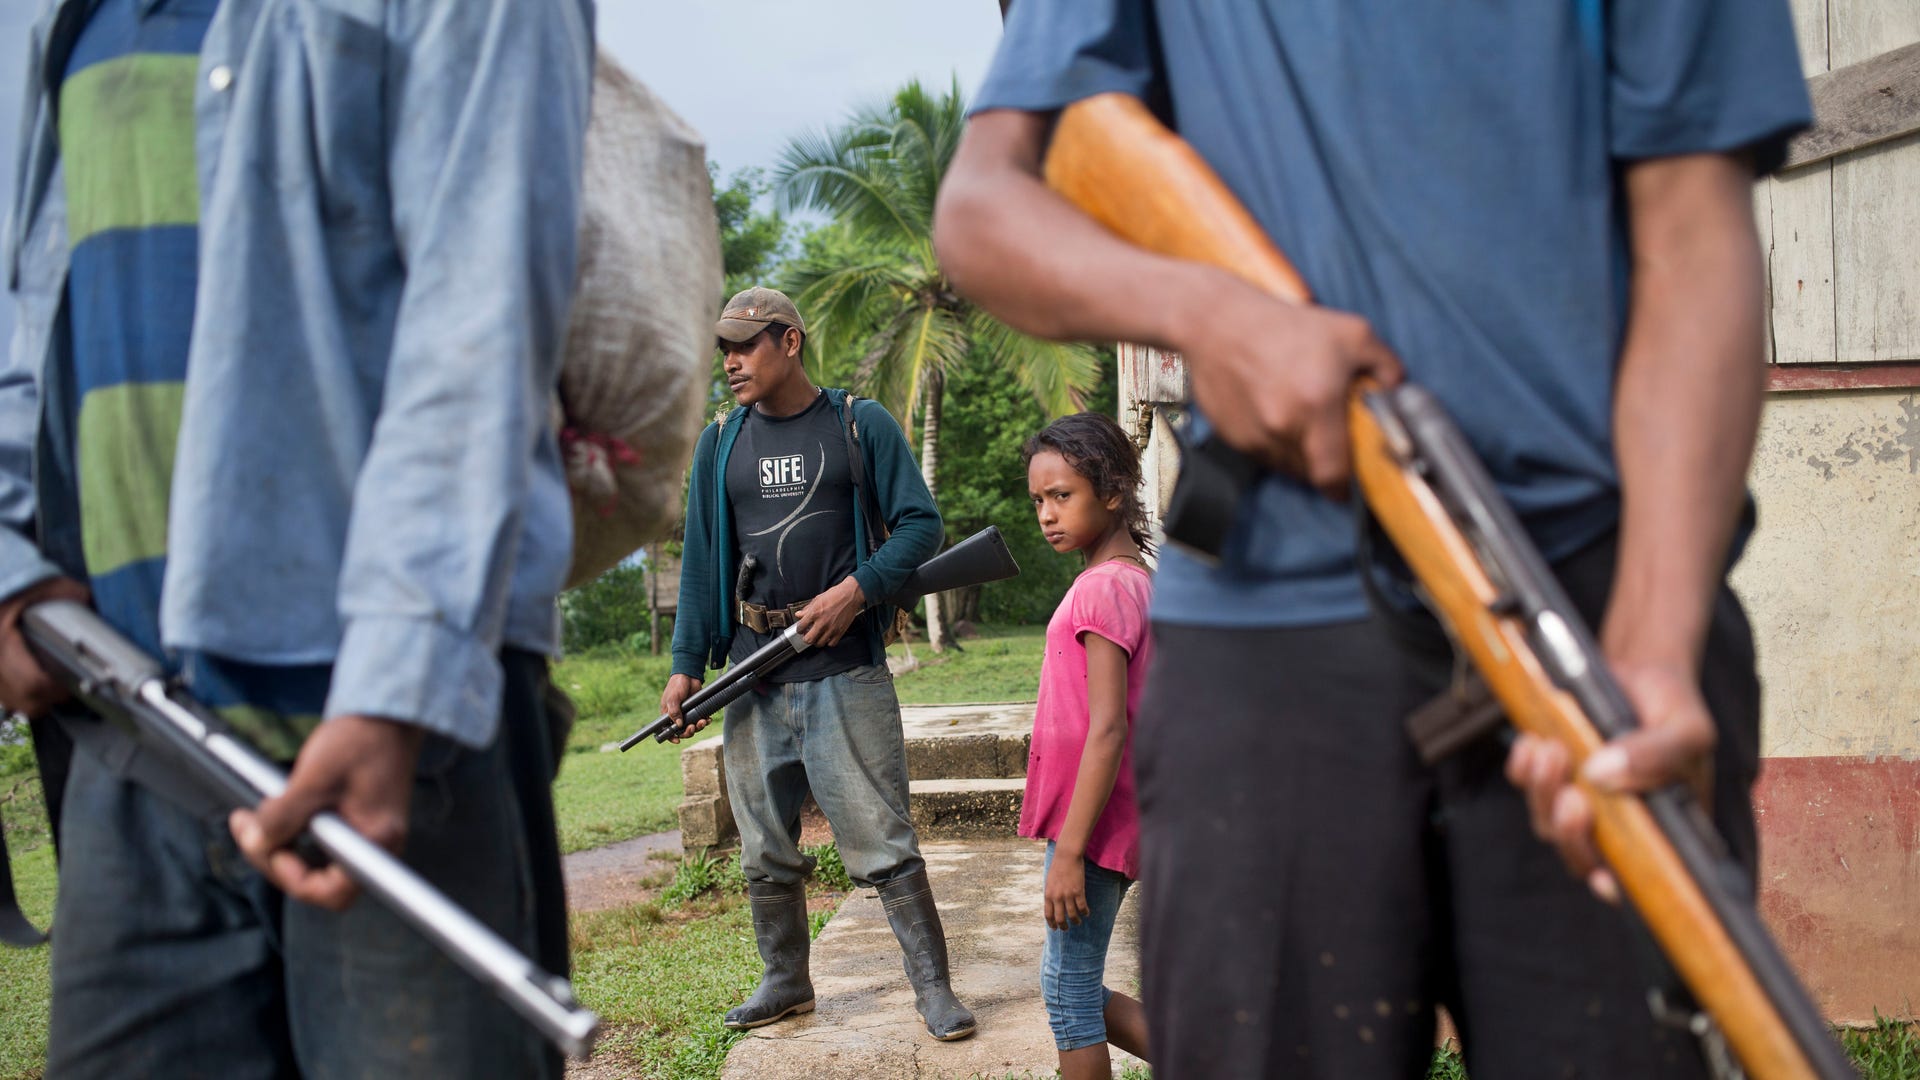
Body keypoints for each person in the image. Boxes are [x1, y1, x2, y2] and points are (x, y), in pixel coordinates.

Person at [933, 3, 1810, 1078]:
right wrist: (1209, 311)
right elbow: (983, 209)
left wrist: (1657, 641)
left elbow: (1696, 227)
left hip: (1596, 605)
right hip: (1262, 631)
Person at [0, 0, 591, 1075]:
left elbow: (480, 319)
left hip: (397, 733)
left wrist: (389, 694)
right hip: (123, 728)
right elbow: (23, 315)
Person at [661, 286, 976, 1041]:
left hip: (846, 671)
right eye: (725, 351)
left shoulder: (856, 424)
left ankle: (934, 991)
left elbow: (920, 525)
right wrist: (686, 667)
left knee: (882, 839)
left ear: (790, 342)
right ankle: (786, 983)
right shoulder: (720, 443)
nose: (732, 363)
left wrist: (857, 591)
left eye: (747, 346)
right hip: (754, 672)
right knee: (764, 844)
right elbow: (705, 563)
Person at [1020, 412, 1154, 1079]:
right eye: (1038, 500)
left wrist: (1070, 852)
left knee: (1070, 995)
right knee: (1072, 985)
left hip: (1093, 827)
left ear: (1111, 491)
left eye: (1061, 496)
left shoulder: (1102, 590)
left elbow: (1109, 727)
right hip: (1111, 817)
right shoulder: (1133, 578)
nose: (1046, 514)